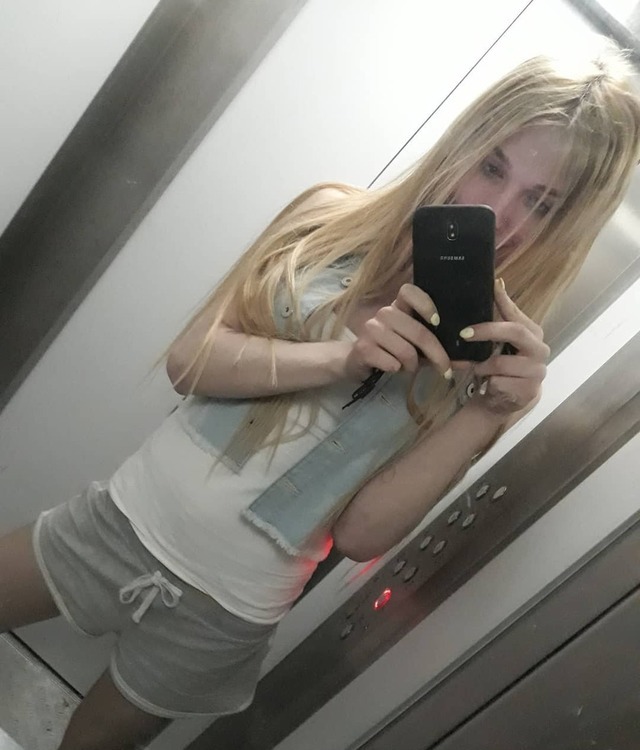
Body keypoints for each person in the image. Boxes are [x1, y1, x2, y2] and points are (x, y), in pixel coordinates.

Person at [1, 42, 639, 750]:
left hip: (225, 617)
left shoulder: (490, 362)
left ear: (564, 226)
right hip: (121, 518)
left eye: (540, 203)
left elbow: (361, 535)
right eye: (492, 166)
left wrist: (489, 412)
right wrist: (343, 356)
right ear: (465, 140)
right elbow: (190, 361)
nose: (501, 214)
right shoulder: (327, 218)